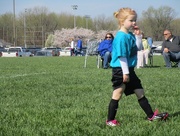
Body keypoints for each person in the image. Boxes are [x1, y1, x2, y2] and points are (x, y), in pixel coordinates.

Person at [106, 7, 168, 126]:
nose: (134, 23)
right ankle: (110, 120)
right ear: (122, 21)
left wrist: (138, 36)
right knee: (117, 94)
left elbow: (138, 48)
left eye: (135, 20)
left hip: (129, 69)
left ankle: (151, 116)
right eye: (131, 20)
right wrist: (125, 73)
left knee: (140, 91)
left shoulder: (129, 34)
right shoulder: (120, 37)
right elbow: (122, 57)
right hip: (121, 70)